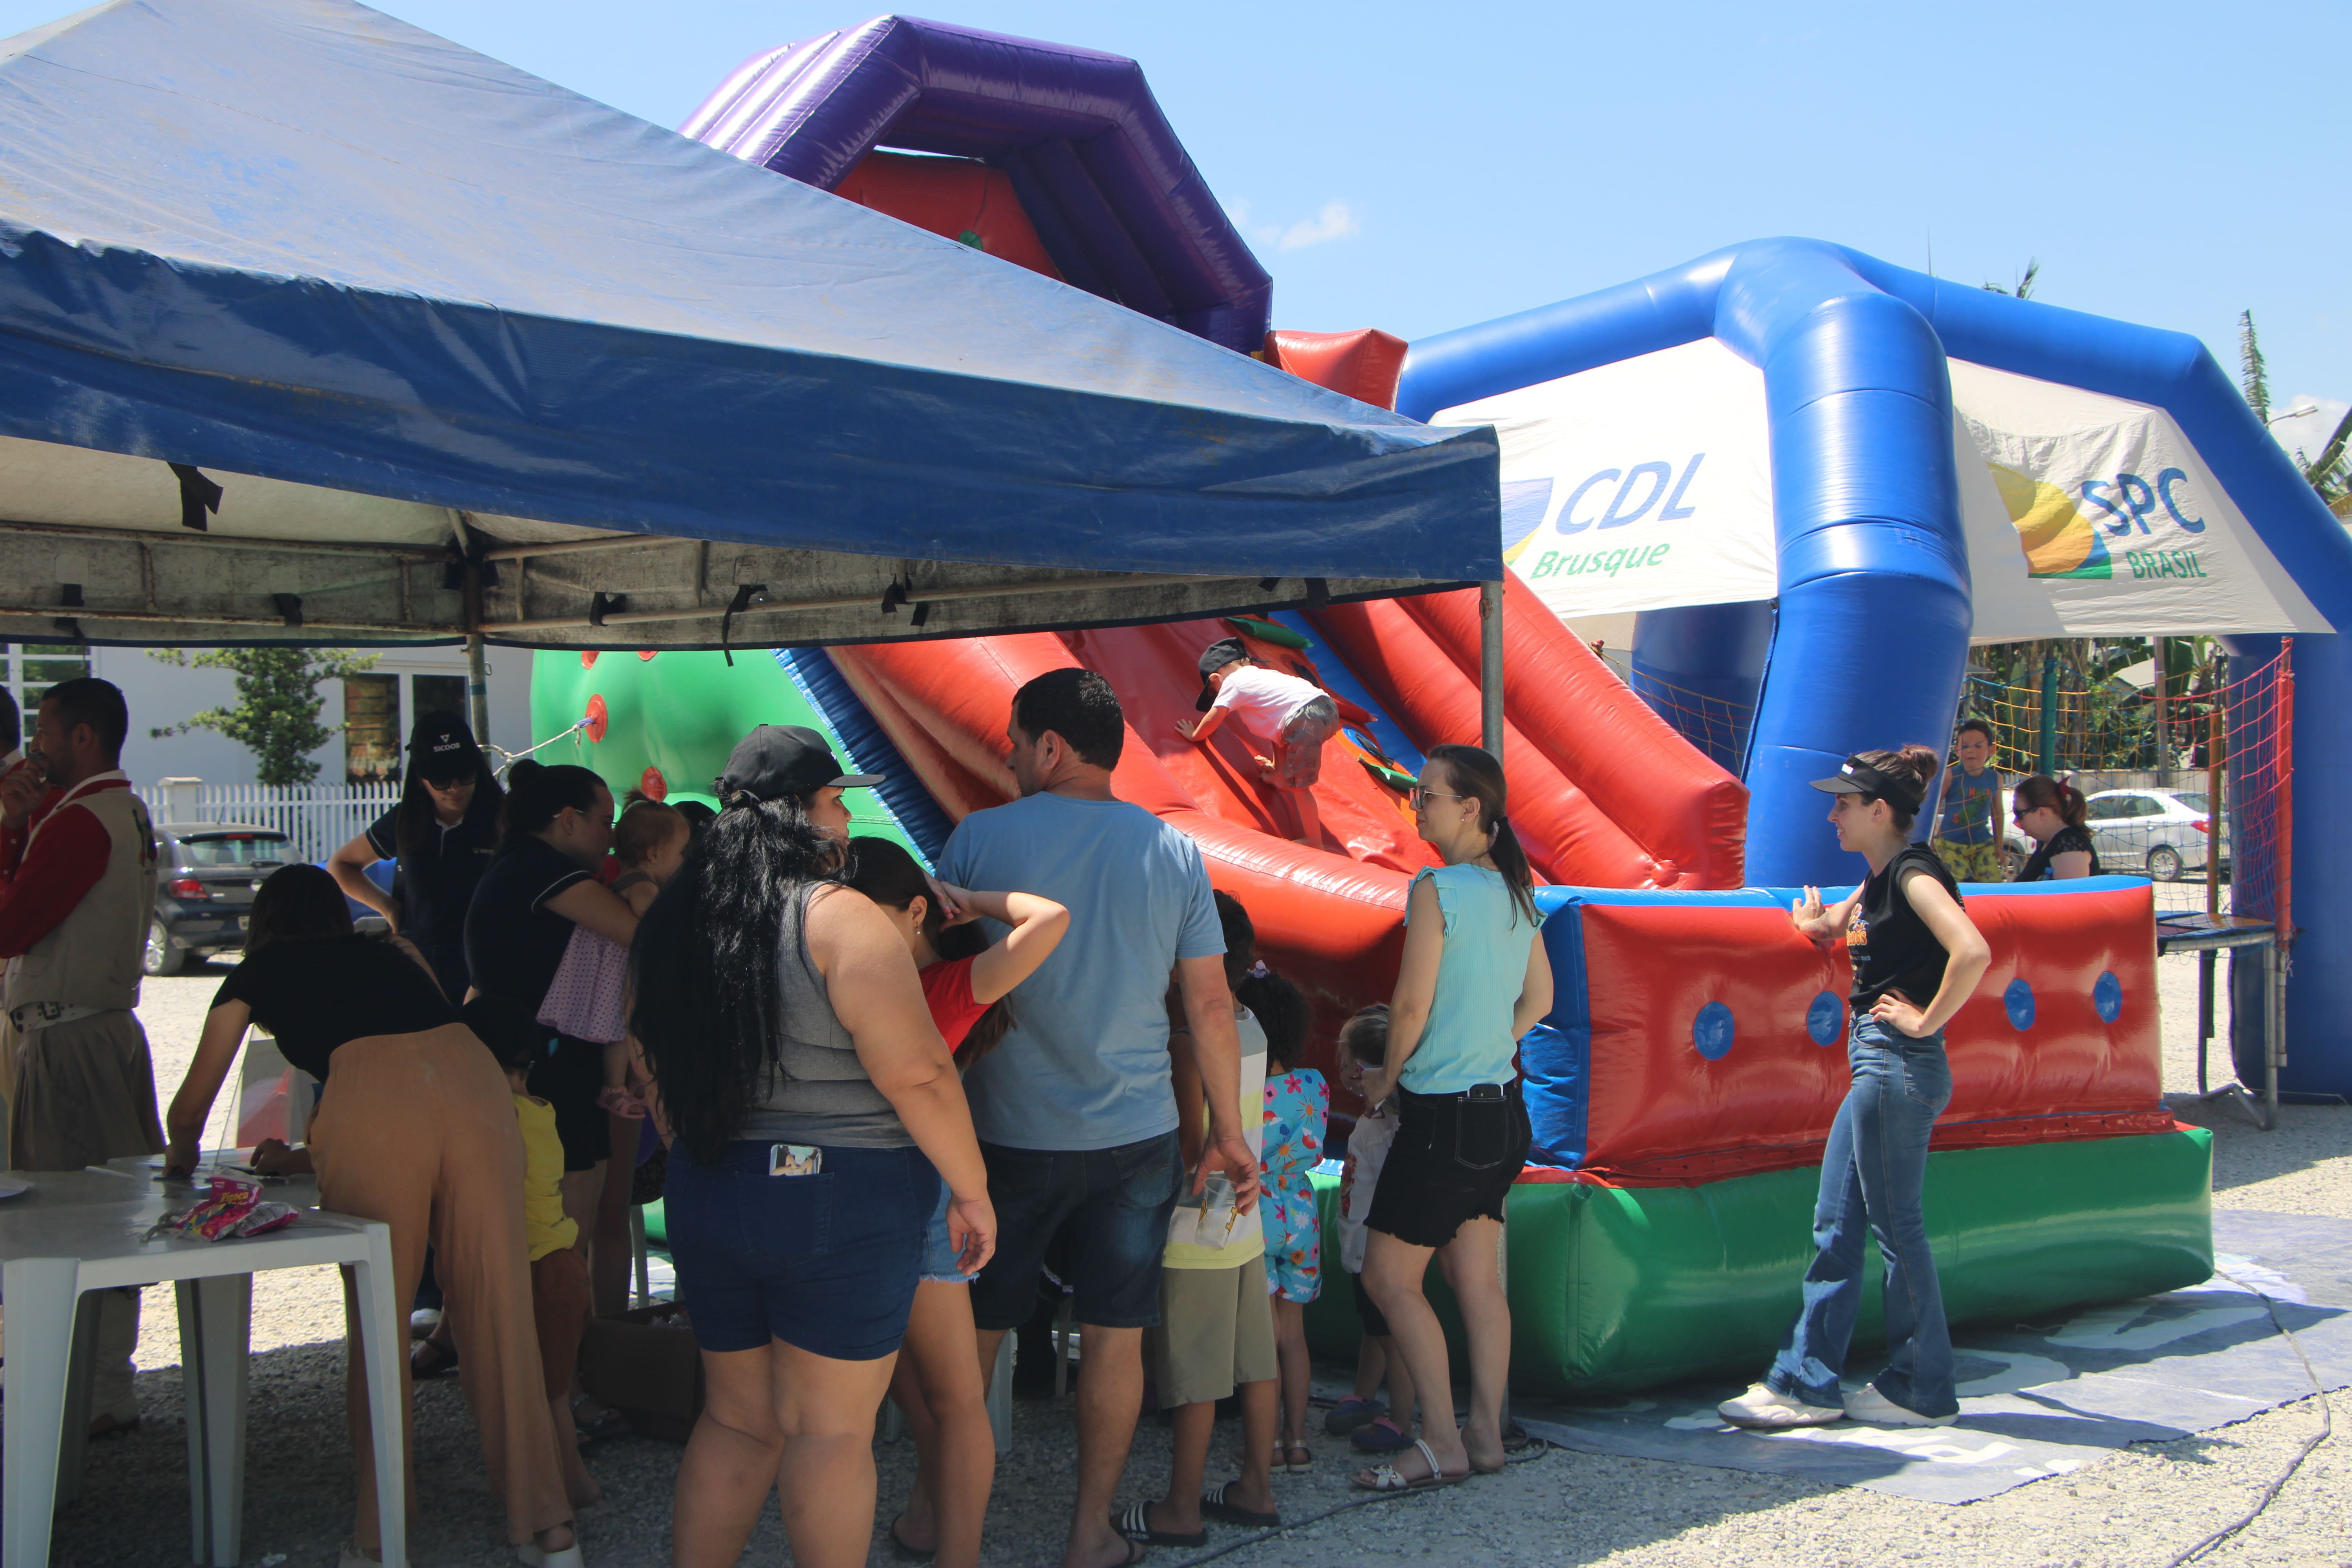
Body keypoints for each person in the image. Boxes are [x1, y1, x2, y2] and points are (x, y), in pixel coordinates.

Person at [628, 727, 996, 1568]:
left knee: (736, 1420)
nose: (846, 818)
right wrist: (972, 1191)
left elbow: (645, 1052)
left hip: (708, 1185)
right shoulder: (836, 915)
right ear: (797, 810)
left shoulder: (674, 920)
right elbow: (920, 1073)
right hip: (842, 1192)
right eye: (836, 799)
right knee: (830, 1431)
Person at [161, 865, 581, 1566]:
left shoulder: (257, 971)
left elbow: (193, 1103)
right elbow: (433, 1039)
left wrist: (180, 1156)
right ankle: (549, 1525)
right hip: (473, 1083)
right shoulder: (394, 952)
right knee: (498, 1303)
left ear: (265, 921)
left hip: (373, 1099)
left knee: (379, 1317)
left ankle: (382, 1529)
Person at [936, 667, 1256, 1568]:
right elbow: (1210, 1005)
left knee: (975, 1333)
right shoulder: (1173, 850)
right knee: (1116, 1334)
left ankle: (937, 1518)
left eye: (1014, 741)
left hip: (1003, 1134)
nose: (1008, 756)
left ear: (1049, 746)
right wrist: (1228, 1132)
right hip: (1137, 1135)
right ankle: (1090, 1533)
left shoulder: (977, 838)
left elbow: (938, 983)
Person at [1719, 747, 1993, 1432]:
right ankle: (1806, 1383)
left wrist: (1926, 1021)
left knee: (1898, 1229)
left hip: (1897, 1061)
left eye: (1843, 804)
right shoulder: (1878, 879)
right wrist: (1813, 925)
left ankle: (1923, 1386)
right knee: (1836, 1223)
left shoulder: (1914, 875)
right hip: (1879, 1064)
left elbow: (1973, 951)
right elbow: (1836, 924)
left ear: (1879, 811)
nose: (1832, 815)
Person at [845, 835, 1067, 1568]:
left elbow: (1051, 919)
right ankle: (928, 1522)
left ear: (916, 913)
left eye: (863, 913)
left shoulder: (944, 987)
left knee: (949, 1400)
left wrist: (967, 901)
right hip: (901, 1194)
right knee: (931, 1400)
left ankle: (948, 1543)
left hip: (917, 1196)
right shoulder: (905, 983)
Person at [1352, 743, 1550, 1492]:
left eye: (1428, 795)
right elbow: (1542, 1000)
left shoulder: (1438, 888)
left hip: (1443, 1119)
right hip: (1502, 1113)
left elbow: (1410, 1005)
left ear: (1471, 809)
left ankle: (1439, 1440)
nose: (1417, 806)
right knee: (1476, 1282)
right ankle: (1485, 1435)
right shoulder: (1516, 891)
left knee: (1387, 1279)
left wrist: (1384, 1079)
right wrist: (1488, 1045)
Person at [0, 677, 166, 1438]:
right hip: (101, 1026)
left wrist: (9, 829)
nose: (35, 746)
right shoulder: (122, 810)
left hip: (68, 1036)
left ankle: (90, 1388)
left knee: (65, 1215)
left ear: (82, 737)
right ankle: (103, 1380)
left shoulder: (79, 822)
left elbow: (11, 927)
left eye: (45, 730)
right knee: (105, 1209)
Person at [1120, 893, 1280, 1548]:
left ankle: (1181, 1508)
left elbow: (1192, 1148)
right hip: (1245, 1220)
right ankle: (1256, 1488)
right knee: (1254, 1361)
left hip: (1196, 1229)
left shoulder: (1189, 1040)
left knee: (1194, 1376)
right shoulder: (1252, 1022)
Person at [458, 760, 640, 1334]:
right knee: (561, 1244)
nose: (612, 835)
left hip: (554, 1067)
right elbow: (641, 934)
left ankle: (560, 1364)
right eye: (606, 821)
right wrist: (646, 883)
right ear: (568, 820)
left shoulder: (519, 864)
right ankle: (557, 1372)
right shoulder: (539, 868)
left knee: (566, 1234)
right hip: (545, 1072)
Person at [465, 993, 601, 1512]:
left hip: (531, 1272)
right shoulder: (542, 1112)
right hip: (566, 1267)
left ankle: (553, 1498)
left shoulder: (493, 1120)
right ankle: (575, 1485)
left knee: (531, 1397)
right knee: (555, 1394)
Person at [326, 711, 504, 1001]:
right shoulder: (406, 821)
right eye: (441, 779)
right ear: (421, 779)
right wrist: (389, 909)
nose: (455, 788)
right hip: (421, 967)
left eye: (465, 775)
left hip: (489, 968)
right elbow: (341, 865)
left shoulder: (504, 820)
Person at [535, 791, 690, 1120]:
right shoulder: (644, 885)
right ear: (654, 854)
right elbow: (650, 919)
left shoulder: (624, 876)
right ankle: (616, 1087)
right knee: (623, 1030)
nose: (682, 861)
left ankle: (629, 1082)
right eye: (680, 852)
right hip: (619, 972)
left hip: (610, 968)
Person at [1243, 967, 1327, 1473]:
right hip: (1301, 1214)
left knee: (1264, 1334)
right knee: (1293, 1332)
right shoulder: (1314, 1084)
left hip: (1255, 1212)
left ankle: (1267, 1440)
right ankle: (1298, 1440)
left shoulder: (1240, 1088)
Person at [1325, 1005, 1417, 1456]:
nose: (1341, 1070)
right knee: (1374, 1326)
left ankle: (1401, 1418)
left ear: (1363, 1070)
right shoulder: (1377, 1119)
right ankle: (1365, 1394)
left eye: (1345, 1062)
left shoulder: (1389, 1128)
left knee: (1390, 1333)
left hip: (1375, 1248)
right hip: (1361, 1246)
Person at [1174, 637, 1338, 847]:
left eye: (1215, 691)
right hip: (1326, 709)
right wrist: (1278, 767)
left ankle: (1314, 840)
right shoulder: (1263, 677)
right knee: (1282, 734)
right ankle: (1280, 776)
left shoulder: (1234, 681)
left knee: (1300, 787)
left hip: (1305, 719)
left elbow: (1215, 715)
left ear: (1216, 677)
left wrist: (1196, 735)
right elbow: (1277, 730)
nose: (1217, 696)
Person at [1930, 719, 2004, 885]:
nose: (1971, 751)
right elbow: (1933, 807)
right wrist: (1931, 839)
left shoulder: (1996, 778)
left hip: (1982, 843)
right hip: (1950, 844)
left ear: (1991, 750)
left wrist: (1999, 844)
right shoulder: (1951, 776)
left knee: (1993, 884)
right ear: (1957, 750)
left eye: (1978, 746)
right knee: (1955, 885)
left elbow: (1998, 812)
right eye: (1965, 746)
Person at [2011, 774, 2101, 882]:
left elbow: (2070, 892)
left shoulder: (2069, 846)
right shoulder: (2051, 844)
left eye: (2020, 814)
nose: (2016, 821)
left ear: (2042, 813)